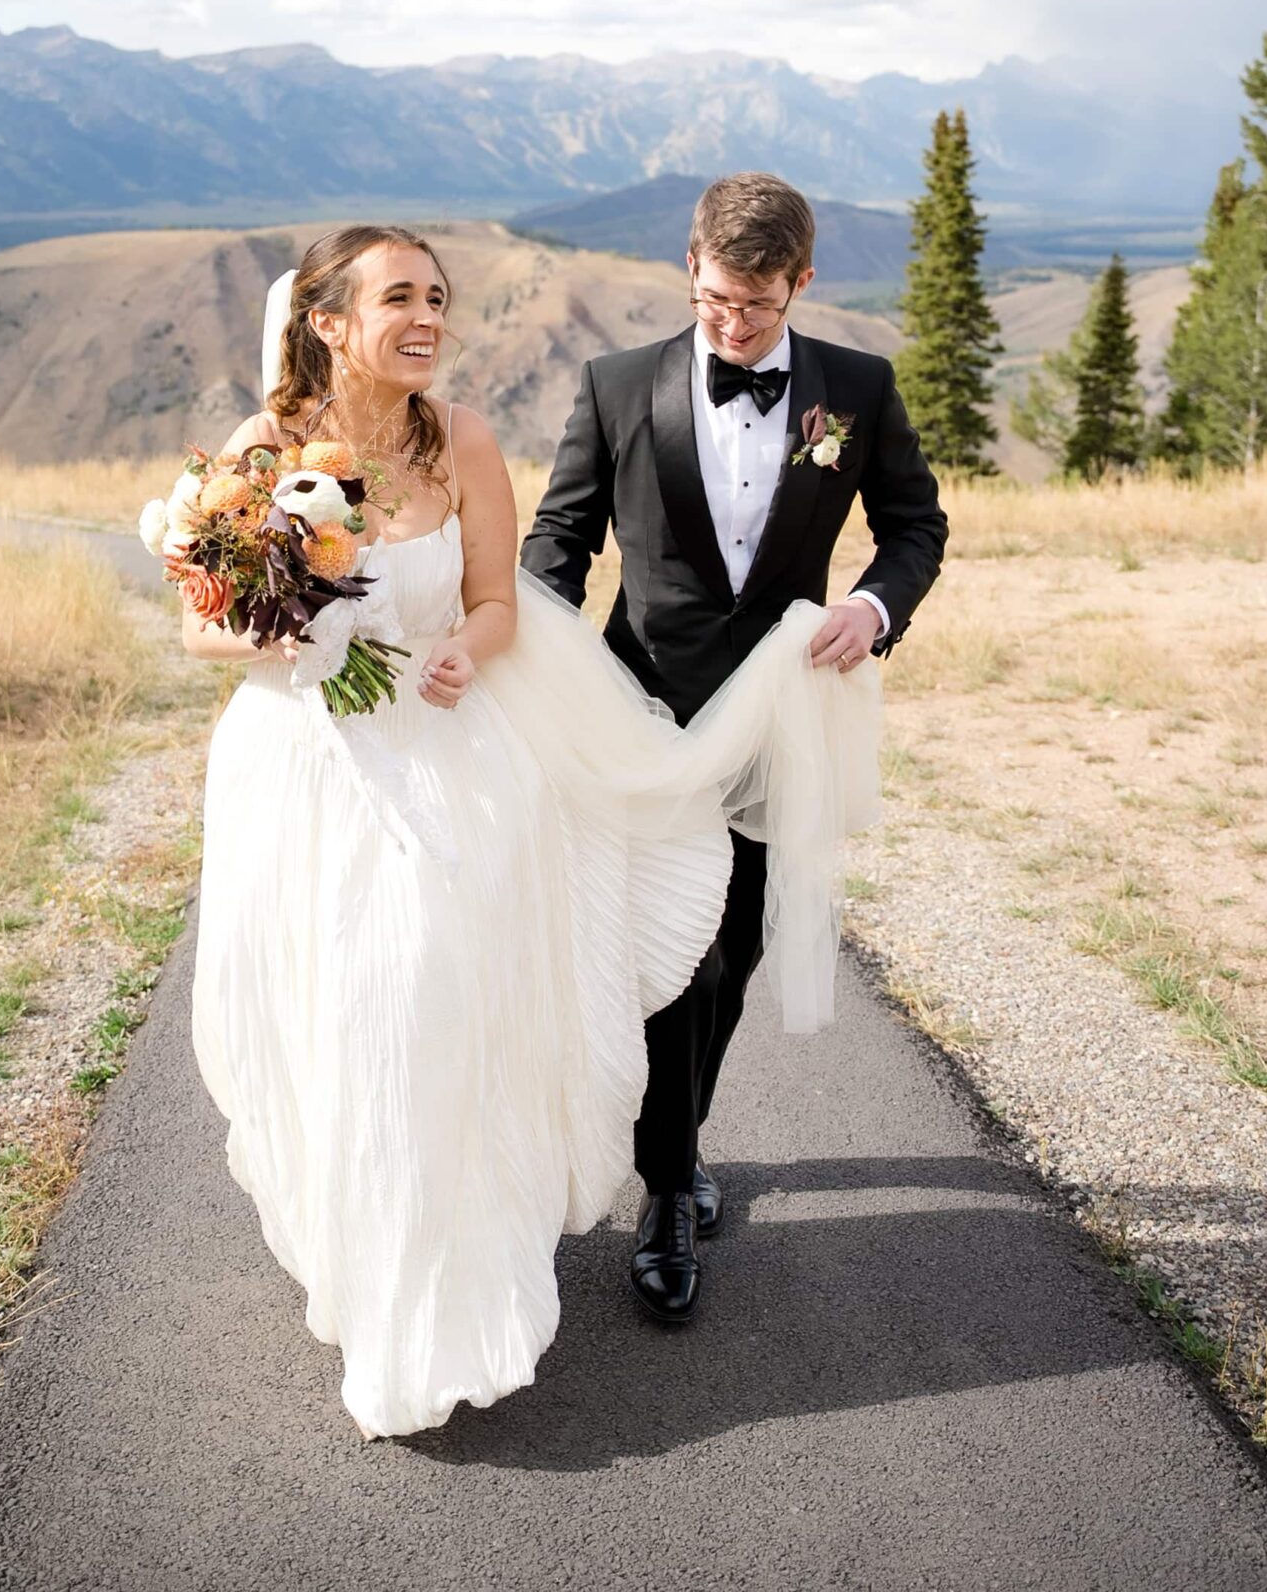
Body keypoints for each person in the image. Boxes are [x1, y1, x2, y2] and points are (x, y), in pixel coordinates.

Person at [188, 220, 883, 1439]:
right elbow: (202, 627)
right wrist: (284, 634)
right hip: (310, 772)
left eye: (437, 296)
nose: (427, 316)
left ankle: (452, 1280)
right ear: (328, 319)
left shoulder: (461, 442)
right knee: (335, 1016)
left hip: (447, 758)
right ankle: (370, 1257)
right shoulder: (262, 453)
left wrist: (466, 644)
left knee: (432, 999)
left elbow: (503, 597)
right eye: (398, 296)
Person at [521, 172, 948, 1322]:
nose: (733, 323)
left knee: (740, 951)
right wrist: (524, 667)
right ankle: (666, 1189)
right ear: (692, 270)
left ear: (801, 282)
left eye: (755, 306)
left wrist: (873, 608)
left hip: (779, 726)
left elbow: (917, 525)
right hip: (638, 718)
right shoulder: (618, 387)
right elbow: (559, 541)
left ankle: (682, 1139)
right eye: (715, 301)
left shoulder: (856, 388)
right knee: (671, 957)